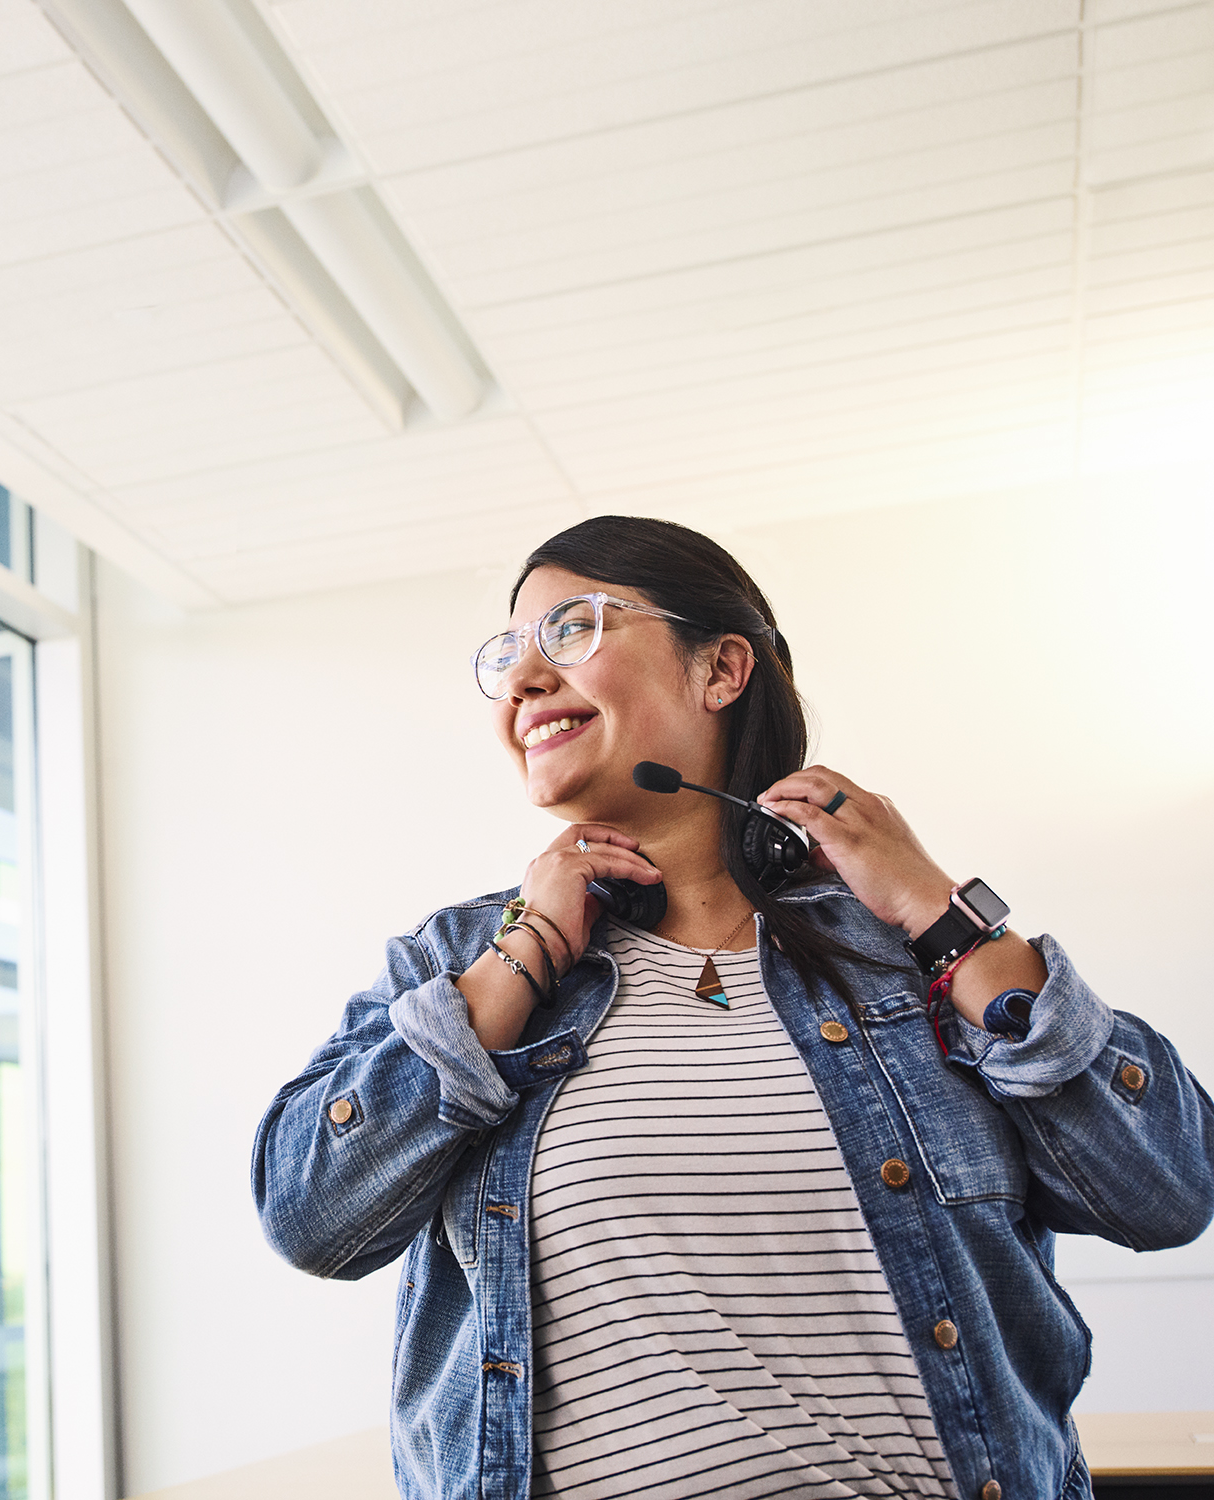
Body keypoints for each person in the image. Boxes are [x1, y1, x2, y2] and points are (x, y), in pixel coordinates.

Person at [251, 516, 1214, 1500]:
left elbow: (1167, 1191)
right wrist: (523, 954)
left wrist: (937, 909)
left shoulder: (906, 950)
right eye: (510, 657)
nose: (525, 680)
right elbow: (310, 1216)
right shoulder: (455, 966)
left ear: (721, 669)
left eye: (574, 630)